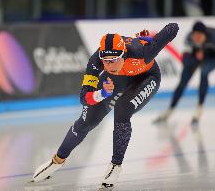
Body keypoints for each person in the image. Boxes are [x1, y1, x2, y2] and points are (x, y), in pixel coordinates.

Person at [32, 23, 179, 189]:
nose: (110, 66)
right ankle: (56, 161)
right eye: (106, 61)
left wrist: (153, 41)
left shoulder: (143, 52)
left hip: (146, 78)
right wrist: (101, 94)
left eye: (114, 60)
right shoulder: (95, 62)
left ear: (123, 55)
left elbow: (173, 27)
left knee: (122, 109)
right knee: (87, 121)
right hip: (117, 80)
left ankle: (115, 166)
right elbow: (84, 97)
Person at [154, 21, 215, 126]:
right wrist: (195, 56)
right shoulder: (188, 39)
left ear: (205, 35)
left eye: (200, 36)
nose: (197, 38)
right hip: (197, 55)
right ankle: (170, 110)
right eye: (195, 36)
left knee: (204, 72)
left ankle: (199, 109)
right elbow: (185, 59)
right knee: (183, 81)